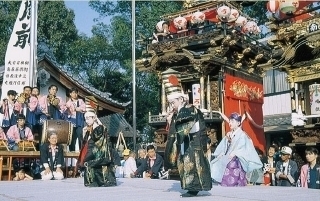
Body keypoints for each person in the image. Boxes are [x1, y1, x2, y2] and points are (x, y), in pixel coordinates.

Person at [162, 68, 211, 197]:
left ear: (181, 99)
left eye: (173, 102)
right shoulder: (180, 112)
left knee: (191, 165)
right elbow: (176, 128)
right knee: (185, 164)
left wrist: (174, 119)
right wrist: (170, 120)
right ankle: (189, 187)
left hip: (193, 143)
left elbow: (183, 127)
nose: (172, 105)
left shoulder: (189, 109)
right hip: (186, 143)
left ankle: (193, 188)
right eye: (170, 103)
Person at [210, 112, 262, 187]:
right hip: (228, 157)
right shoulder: (229, 134)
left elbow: (242, 148)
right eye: (230, 121)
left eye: (232, 121)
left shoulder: (242, 135)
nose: (230, 123)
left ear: (238, 123)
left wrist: (235, 153)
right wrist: (222, 152)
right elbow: (224, 147)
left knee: (232, 165)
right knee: (216, 163)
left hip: (236, 159)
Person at [81, 96, 116, 187]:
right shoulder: (90, 128)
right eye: (86, 118)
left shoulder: (99, 127)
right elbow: (86, 142)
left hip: (100, 152)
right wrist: (85, 132)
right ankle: (94, 181)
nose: (87, 120)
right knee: (91, 165)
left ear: (94, 117)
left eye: (89, 118)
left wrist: (88, 132)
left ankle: (103, 181)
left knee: (93, 164)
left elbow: (95, 139)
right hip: (95, 152)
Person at [65, 88, 85, 152]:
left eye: (76, 93)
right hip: (71, 120)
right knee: (72, 137)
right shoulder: (68, 102)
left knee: (80, 136)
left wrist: (78, 109)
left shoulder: (81, 101)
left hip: (79, 120)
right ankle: (71, 151)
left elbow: (84, 108)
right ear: (70, 94)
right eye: (73, 93)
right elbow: (66, 110)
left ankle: (81, 150)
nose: (75, 94)